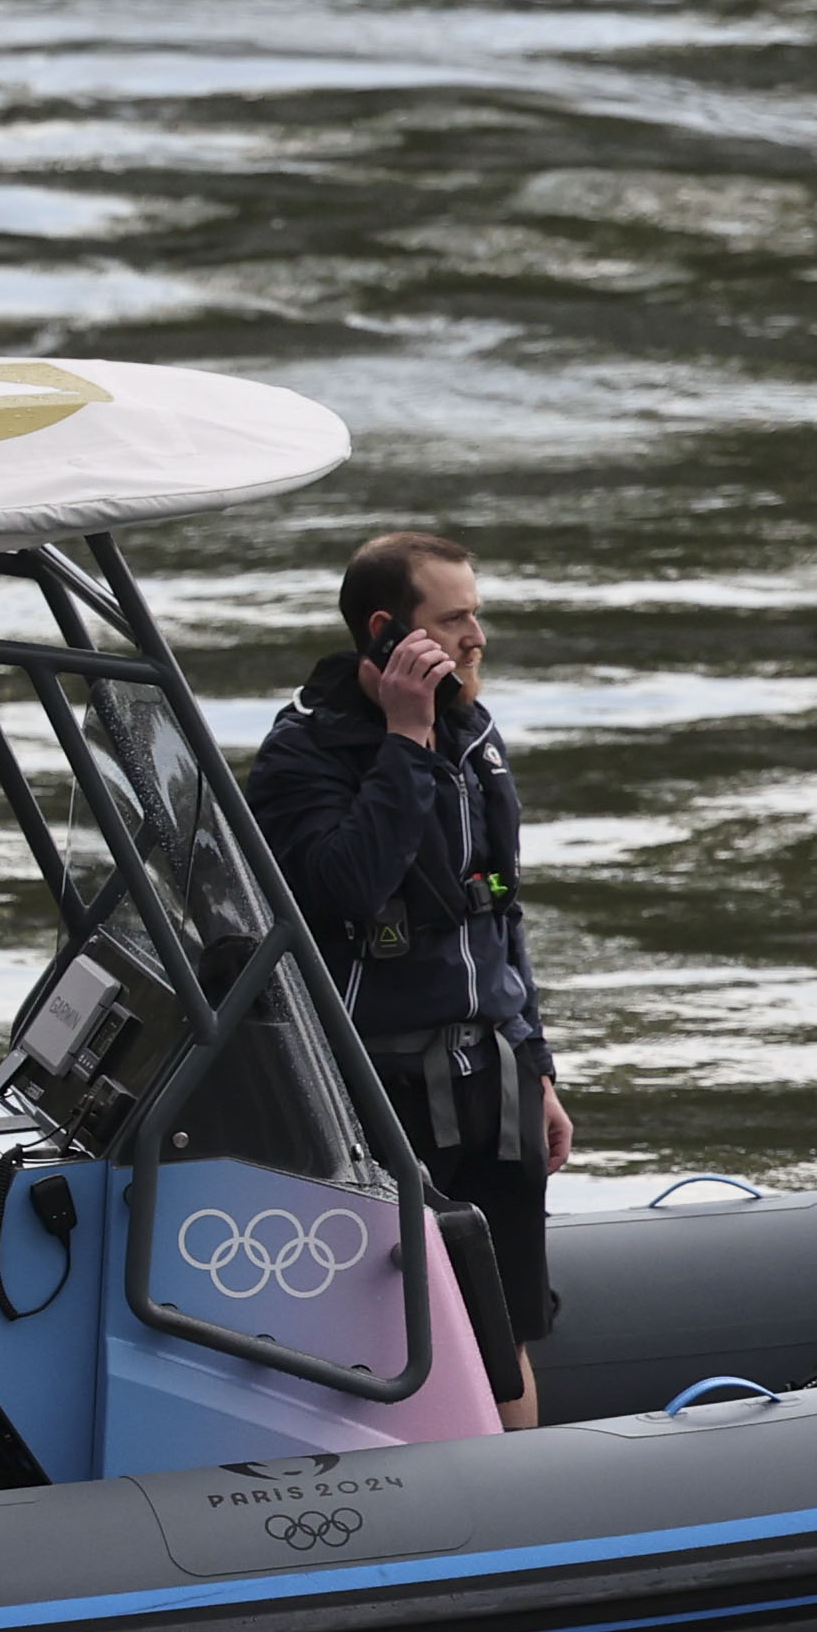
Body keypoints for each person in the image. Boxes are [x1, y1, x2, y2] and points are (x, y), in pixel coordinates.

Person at [244, 527, 566, 1430]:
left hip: (487, 1080)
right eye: (454, 619)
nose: (477, 638)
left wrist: (534, 1065)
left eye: (478, 615)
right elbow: (346, 887)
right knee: (394, 1333)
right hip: (374, 1095)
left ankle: (520, 1527)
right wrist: (407, 740)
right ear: (386, 633)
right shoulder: (301, 755)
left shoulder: (478, 735)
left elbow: (500, 915)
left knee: (507, 1339)